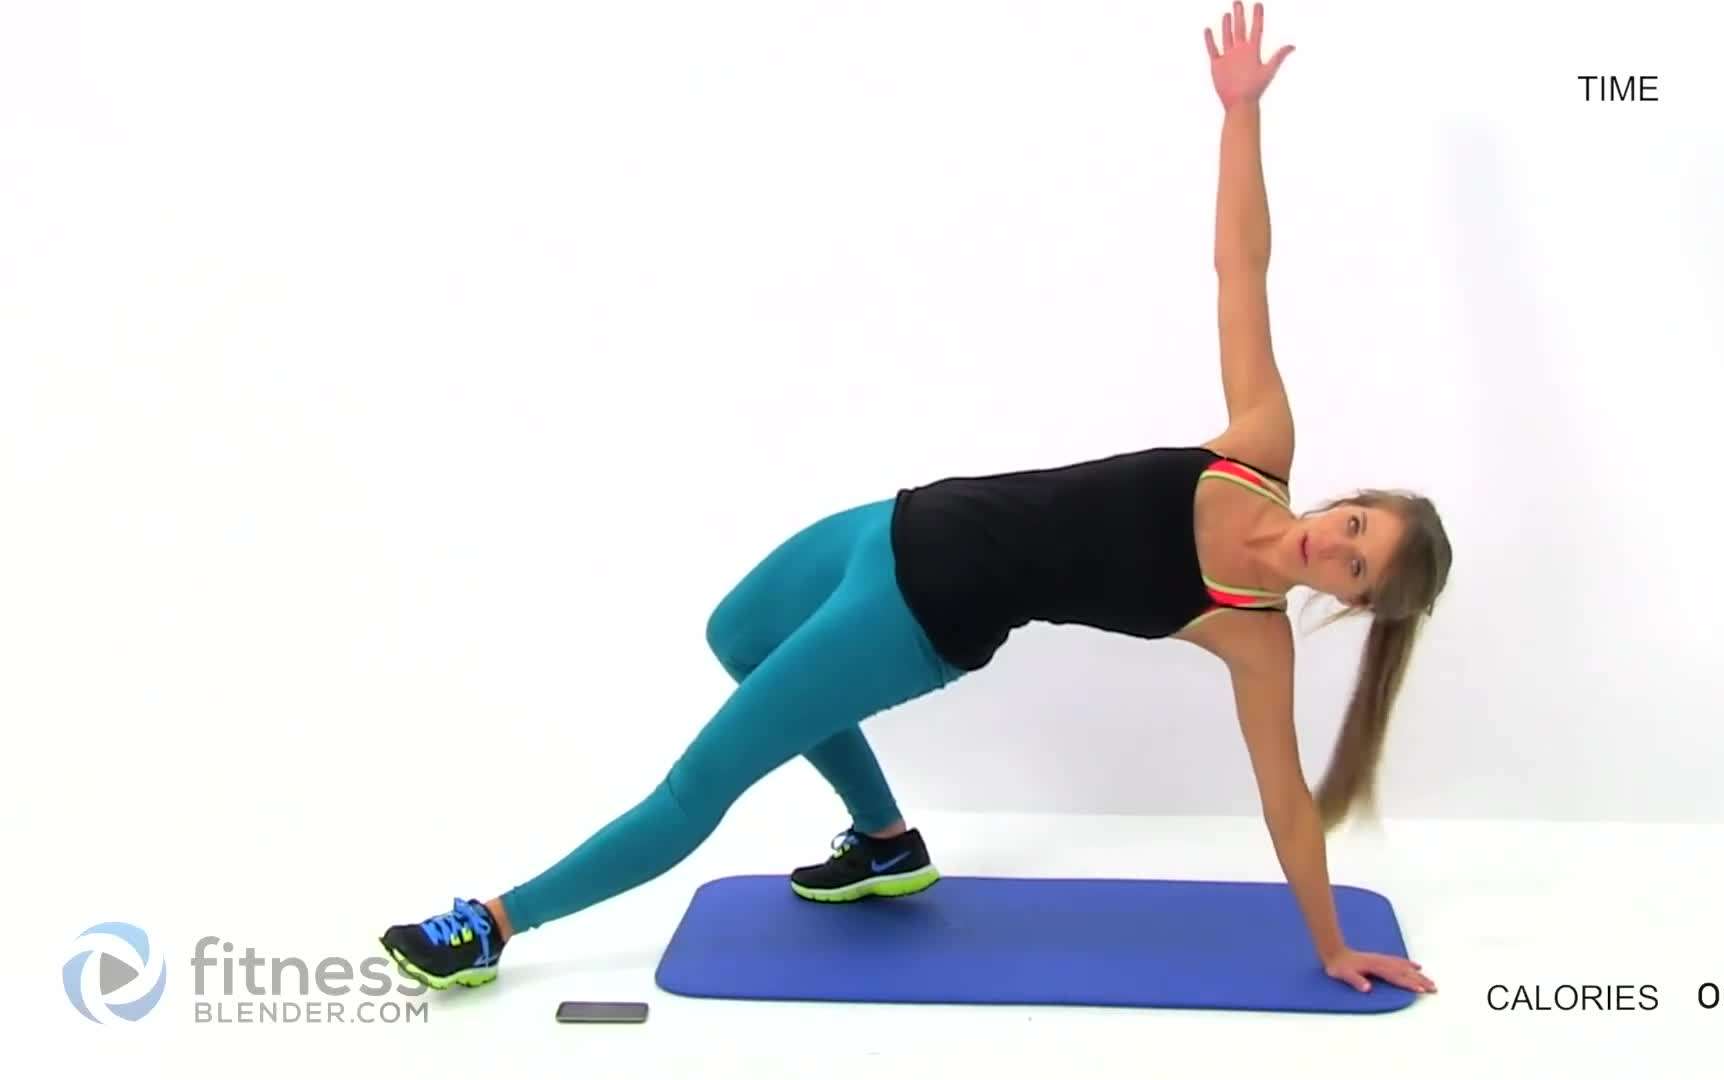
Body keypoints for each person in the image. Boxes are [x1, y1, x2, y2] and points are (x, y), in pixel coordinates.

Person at [378, 1, 1448, 998]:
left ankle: (493, 926)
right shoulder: (1258, 448)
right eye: (1355, 526)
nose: (1333, 548)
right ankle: (886, 843)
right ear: (1346, 501)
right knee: (736, 633)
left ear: (1352, 601)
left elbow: (1286, 803)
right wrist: (1242, 113)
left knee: (697, 782)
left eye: (1357, 568)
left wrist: (1329, 945)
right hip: (889, 524)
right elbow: (1240, 268)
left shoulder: (1255, 636)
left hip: (918, 618)